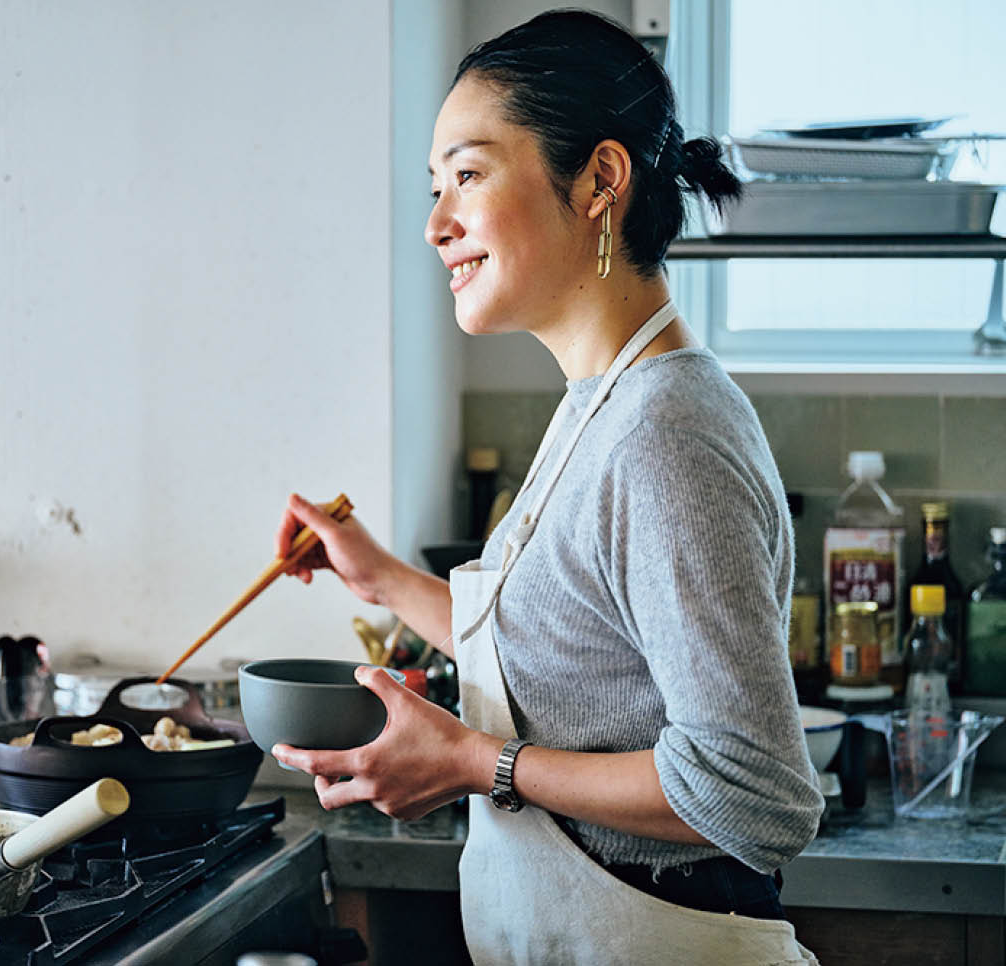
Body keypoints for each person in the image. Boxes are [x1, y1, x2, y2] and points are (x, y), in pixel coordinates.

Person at [271, 9, 823, 964]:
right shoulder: (601, 403)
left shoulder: (663, 432)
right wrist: (381, 580)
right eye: (435, 187)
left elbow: (752, 789)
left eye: (469, 176)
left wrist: (477, 764)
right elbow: (565, 651)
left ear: (600, 179)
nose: (436, 225)